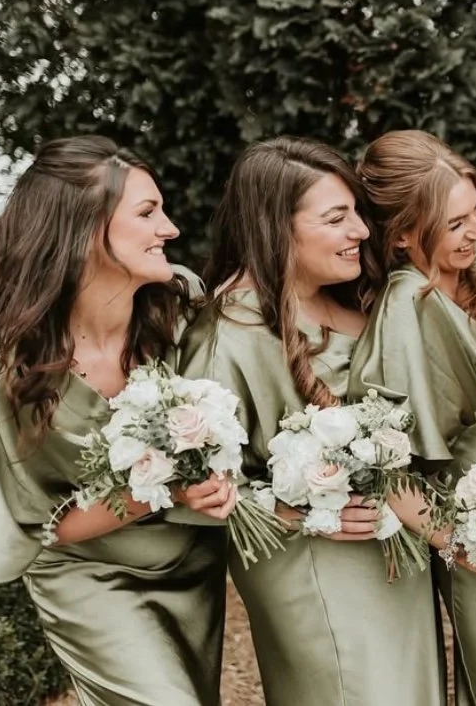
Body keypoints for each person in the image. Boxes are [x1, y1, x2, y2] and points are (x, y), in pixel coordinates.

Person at [177, 136, 443, 706]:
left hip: (393, 553)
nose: (361, 232)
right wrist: (300, 510)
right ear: (278, 227)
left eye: (356, 213)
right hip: (311, 565)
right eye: (335, 218)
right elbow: (191, 482)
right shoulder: (230, 332)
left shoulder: (359, 304)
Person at [0, 136, 228, 705]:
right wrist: (162, 489)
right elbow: (39, 526)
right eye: (147, 213)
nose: (170, 229)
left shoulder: (182, 303)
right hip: (88, 576)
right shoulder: (5, 367)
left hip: (190, 563)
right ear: (82, 229)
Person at [348, 130, 476, 706]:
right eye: (455, 223)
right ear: (404, 234)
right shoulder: (404, 309)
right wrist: (462, 543)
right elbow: (386, 463)